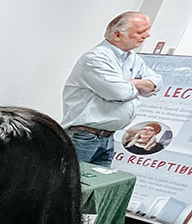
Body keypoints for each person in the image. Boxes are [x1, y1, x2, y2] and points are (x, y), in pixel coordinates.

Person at [63, 11, 162, 167]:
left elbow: (156, 83)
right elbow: (119, 93)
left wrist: (132, 83)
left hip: (107, 138)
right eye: (140, 32)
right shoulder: (96, 58)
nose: (147, 35)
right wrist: (139, 86)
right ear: (117, 35)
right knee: (71, 181)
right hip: (84, 137)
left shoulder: (132, 58)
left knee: (101, 182)